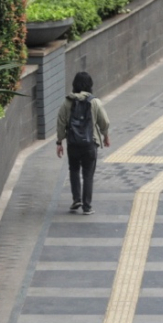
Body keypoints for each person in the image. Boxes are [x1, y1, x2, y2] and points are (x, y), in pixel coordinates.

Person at [55, 70, 110, 215]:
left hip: (73, 143)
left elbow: (61, 123)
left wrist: (59, 142)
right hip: (90, 143)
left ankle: (76, 199)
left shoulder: (67, 102)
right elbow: (104, 121)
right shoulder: (94, 102)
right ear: (90, 85)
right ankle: (87, 206)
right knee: (88, 174)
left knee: (73, 170)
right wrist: (105, 135)